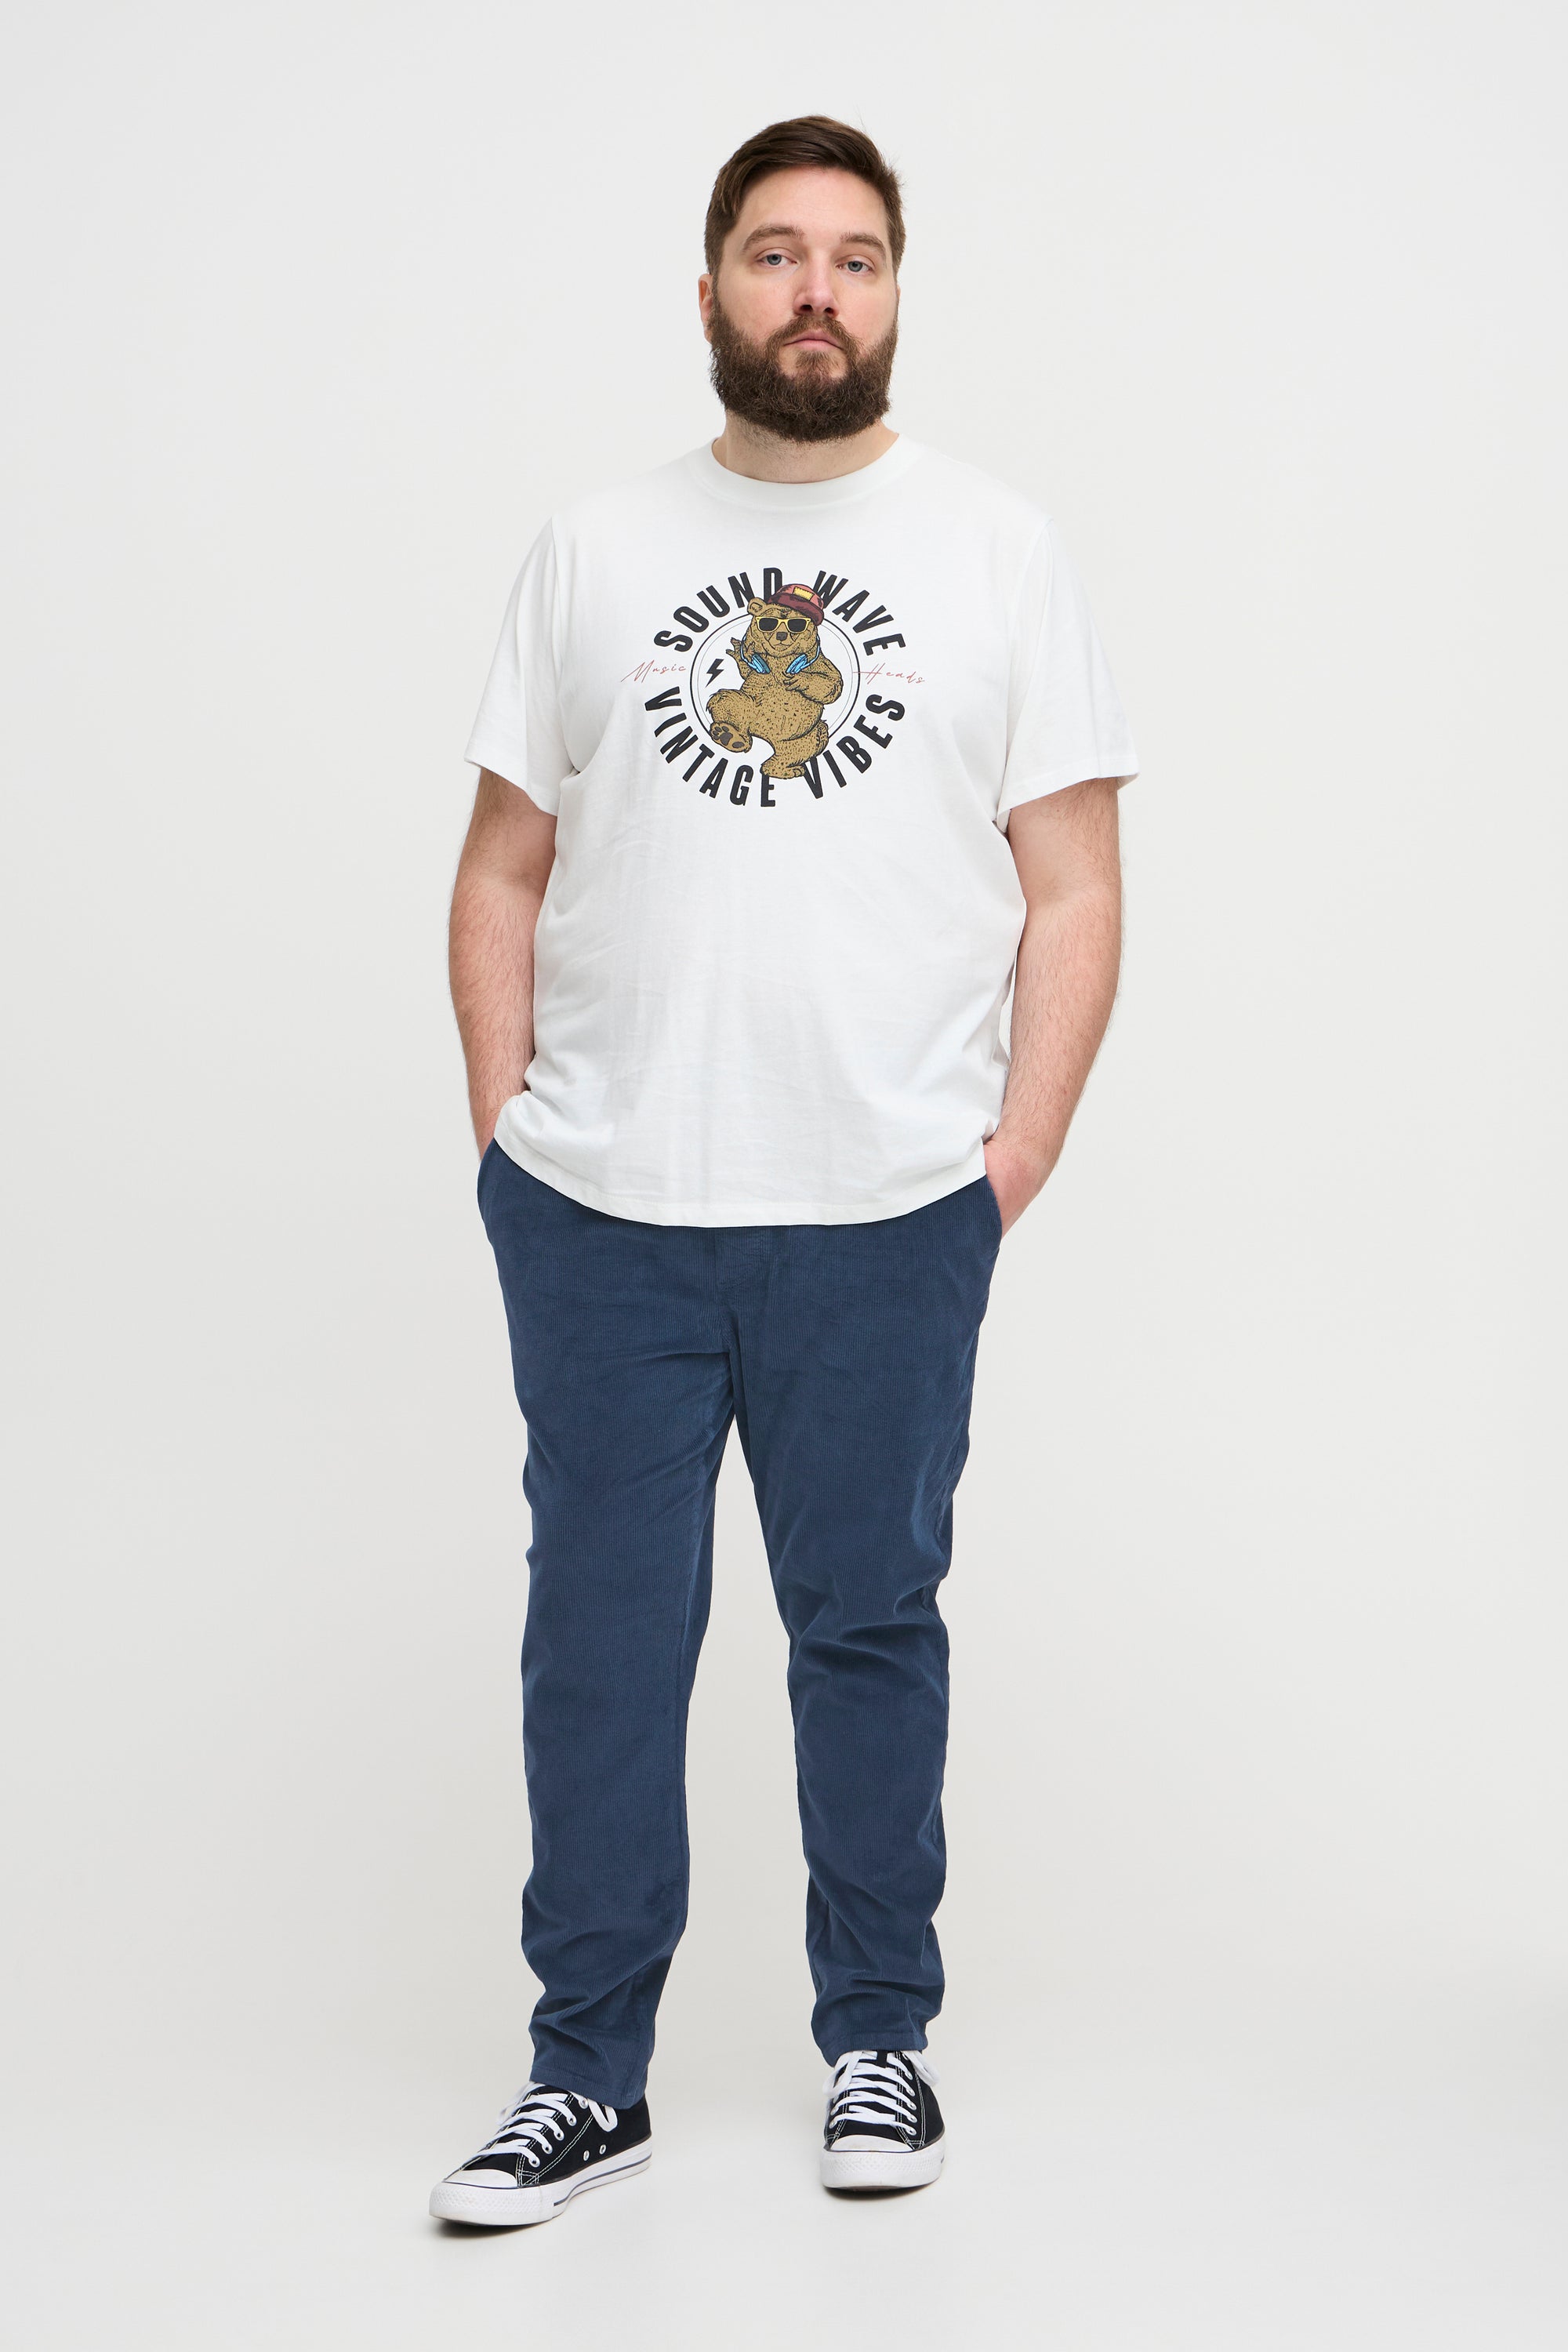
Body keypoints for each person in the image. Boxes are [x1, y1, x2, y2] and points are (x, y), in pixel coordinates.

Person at [430, 113, 1138, 2229]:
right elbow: (500, 864)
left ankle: (879, 2045)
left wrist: (1011, 1155)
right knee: (600, 1644)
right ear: (714, 287)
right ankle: (586, 2077)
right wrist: (505, 1137)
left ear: (895, 293)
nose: (814, 290)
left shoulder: (999, 548)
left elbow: (1077, 886)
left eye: (853, 257)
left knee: (871, 1625)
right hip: (604, 1212)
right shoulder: (594, 547)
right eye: (773, 252)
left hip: (890, 1209)